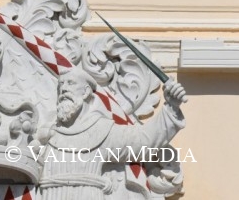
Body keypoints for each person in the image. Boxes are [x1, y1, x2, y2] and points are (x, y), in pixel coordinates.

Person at [36, 68, 187, 200]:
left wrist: (172, 107)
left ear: (86, 92)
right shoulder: (50, 134)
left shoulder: (102, 130)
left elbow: (143, 140)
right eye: (61, 85)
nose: (63, 89)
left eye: (70, 83)